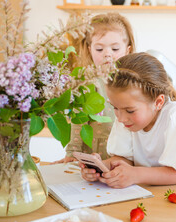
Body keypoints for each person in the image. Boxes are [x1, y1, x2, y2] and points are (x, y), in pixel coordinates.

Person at [80, 52, 176, 188]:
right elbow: (125, 159)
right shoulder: (126, 117)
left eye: (130, 110)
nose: (120, 118)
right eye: (115, 107)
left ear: (158, 102)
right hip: (155, 188)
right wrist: (103, 167)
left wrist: (135, 175)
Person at [55, 12, 136, 163]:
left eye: (115, 49)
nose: (107, 55)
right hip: (93, 160)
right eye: (99, 49)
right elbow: (78, 122)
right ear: (89, 49)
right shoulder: (84, 83)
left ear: (128, 50)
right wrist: (72, 153)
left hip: (126, 161)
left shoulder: (135, 84)